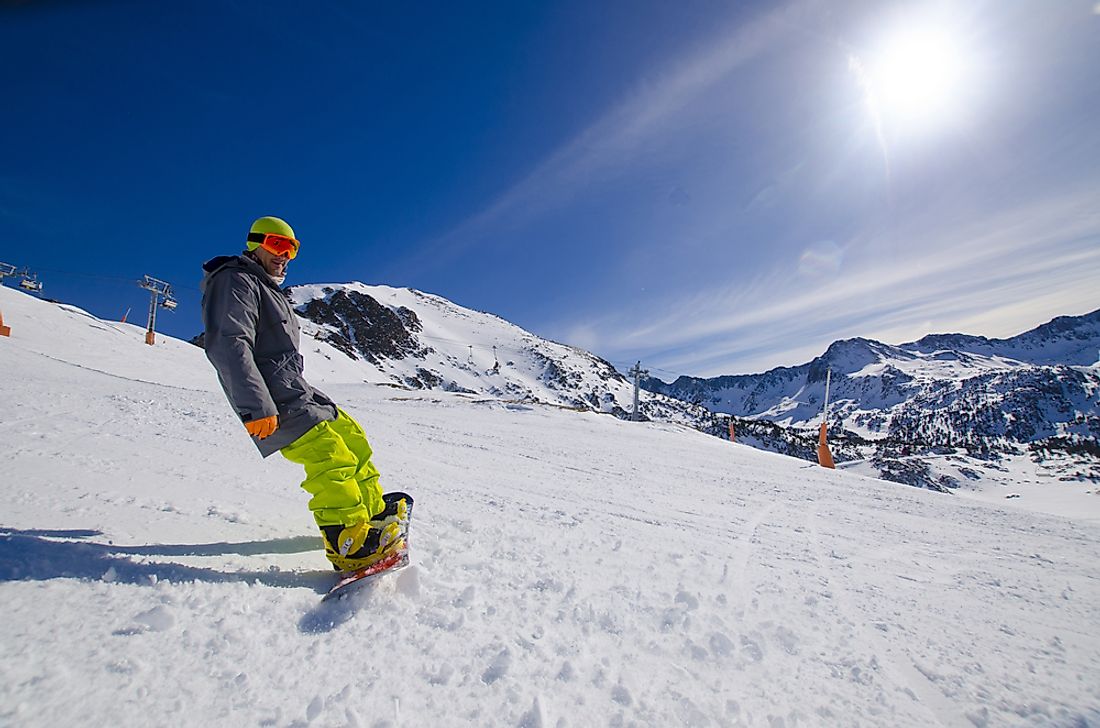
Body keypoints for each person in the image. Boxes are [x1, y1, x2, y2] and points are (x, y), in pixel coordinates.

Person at [200, 215, 411, 571]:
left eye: (291, 248)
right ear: (255, 243)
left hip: (295, 391)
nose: (284, 255)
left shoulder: (266, 288)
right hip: (272, 399)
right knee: (329, 457)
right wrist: (255, 407)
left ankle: (371, 515)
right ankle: (347, 541)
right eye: (276, 245)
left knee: (351, 438)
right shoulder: (235, 280)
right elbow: (228, 344)